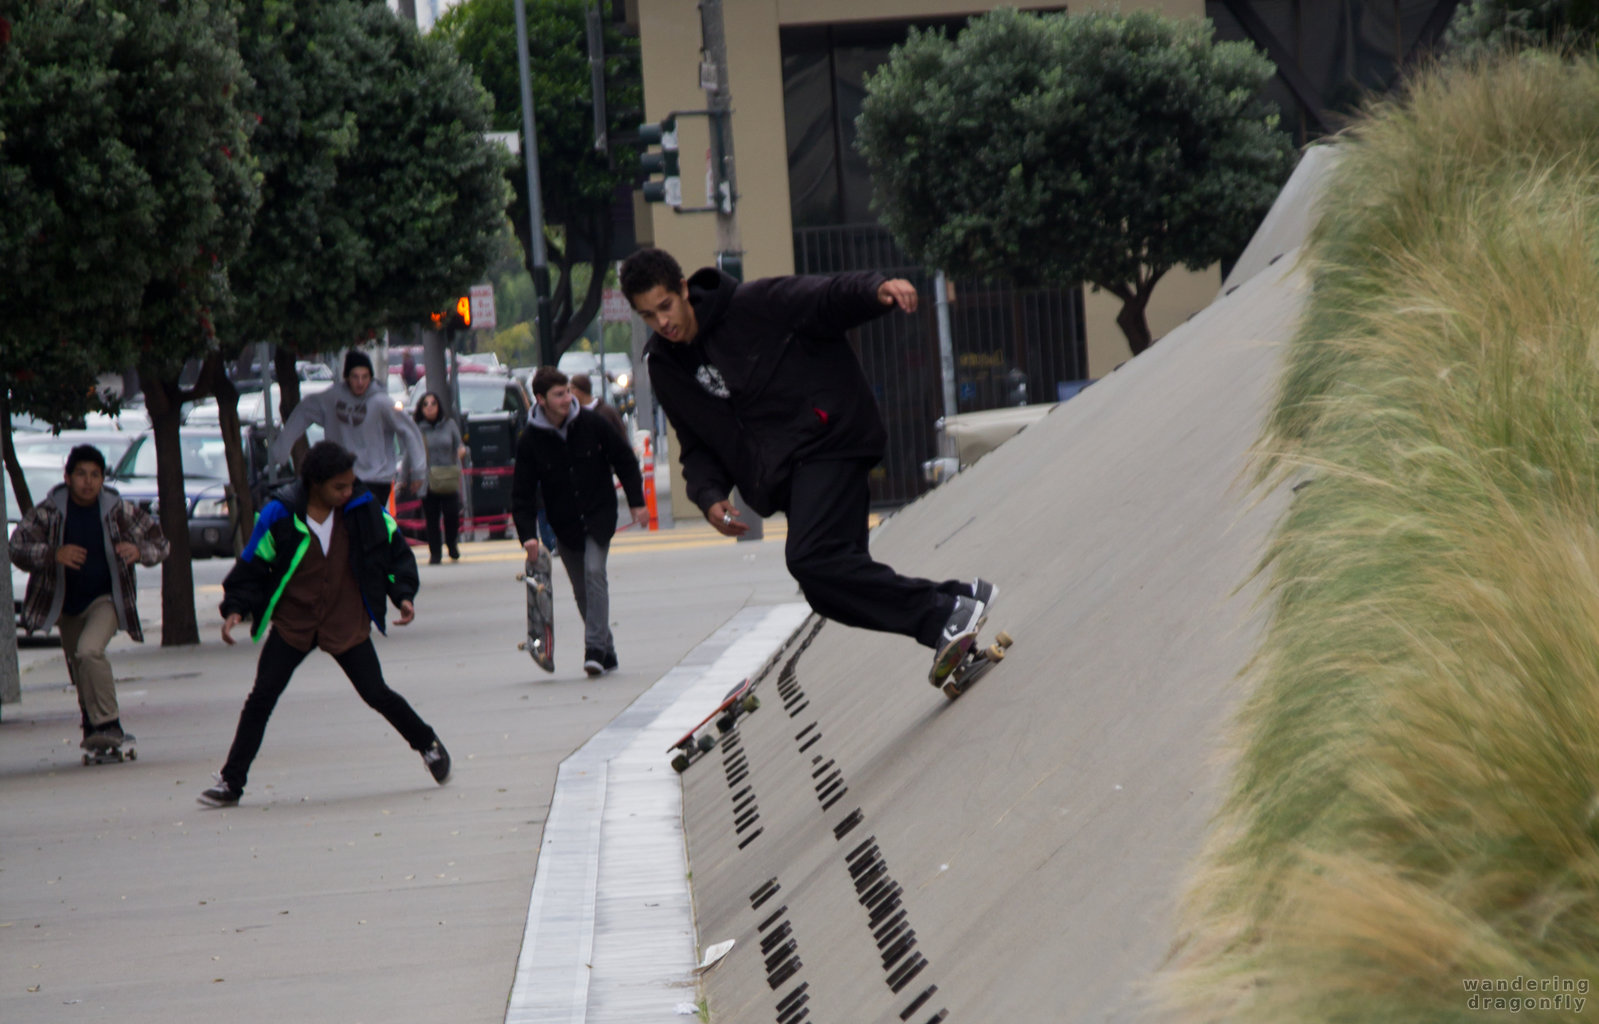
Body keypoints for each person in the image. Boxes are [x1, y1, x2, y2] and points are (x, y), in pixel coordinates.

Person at [619, 247, 997, 685]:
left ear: (683, 289)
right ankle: (957, 601)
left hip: (831, 440)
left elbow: (823, 296)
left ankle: (945, 615)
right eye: (649, 315)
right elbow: (696, 443)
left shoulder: (752, 305)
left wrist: (876, 289)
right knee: (824, 588)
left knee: (809, 558)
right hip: (786, 479)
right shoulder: (665, 366)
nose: (663, 322)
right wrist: (708, 496)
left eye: (666, 306)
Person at [199, 441, 449, 807]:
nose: (348, 492)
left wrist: (403, 594)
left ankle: (428, 745)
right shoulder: (279, 514)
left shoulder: (363, 509)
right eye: (339, 487)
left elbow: (395, 551)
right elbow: (253, 564)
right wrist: (235, 607)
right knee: (261, 698)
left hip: (344, 619)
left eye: (350, 484)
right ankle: (231, 782)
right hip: (294, 623)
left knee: (375, 691)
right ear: (315, 483)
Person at [8, 445, 169, 752]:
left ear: (103, 479)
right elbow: (16, 547)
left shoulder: (116, 509)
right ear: (67, 477)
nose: (88, 482)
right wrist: (53, 554)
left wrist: (139, 552)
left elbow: (159, 542)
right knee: (78, 665)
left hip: (105, 599)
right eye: (81, 474)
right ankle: (91, 724)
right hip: (66, 605)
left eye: (95, 475)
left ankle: (110, 723)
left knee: (90, 651)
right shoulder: (49, 512)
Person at [511, 367, 648, 676]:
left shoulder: (591, 423)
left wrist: (637, 502)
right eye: (559, 394)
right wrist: (528, 537)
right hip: (565, 524)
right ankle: (608, 650)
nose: (566, 399)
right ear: (541, 399)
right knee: (581, 589)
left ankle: (595, 649)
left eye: (568, 392)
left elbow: (624, 459)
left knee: (594, 573)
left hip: (599, 513)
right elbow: (521, 493)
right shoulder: (531, 439)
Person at [268, 350, 426, 509]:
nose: (360, 383)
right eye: (355, 377)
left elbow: (409, 430)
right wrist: (281, 450)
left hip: (376, 480)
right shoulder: (333, 398)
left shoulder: (381, 402)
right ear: (347, 377)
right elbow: (304, 410)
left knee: (367, 526)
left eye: (365, 377)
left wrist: (419, 471)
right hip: (342, 477)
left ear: (370, 378)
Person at [413, 391, 466, 564]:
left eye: (433, 403)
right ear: (421, 408)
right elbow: (410, 454)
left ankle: (452, 544)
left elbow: (460, 444)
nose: (429, 407)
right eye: (425, 404)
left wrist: (461, 451)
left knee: (451, 514)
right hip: (429, 479)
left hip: (448, 476)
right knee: (431, 518)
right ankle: (435, 552)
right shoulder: (418, 428)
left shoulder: (449, 425)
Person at [569, 372, 628, 441]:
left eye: (570, 391)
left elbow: (621, 437)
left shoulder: (607, 412)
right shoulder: (573, 413)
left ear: (577, 391)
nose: (568, 396)